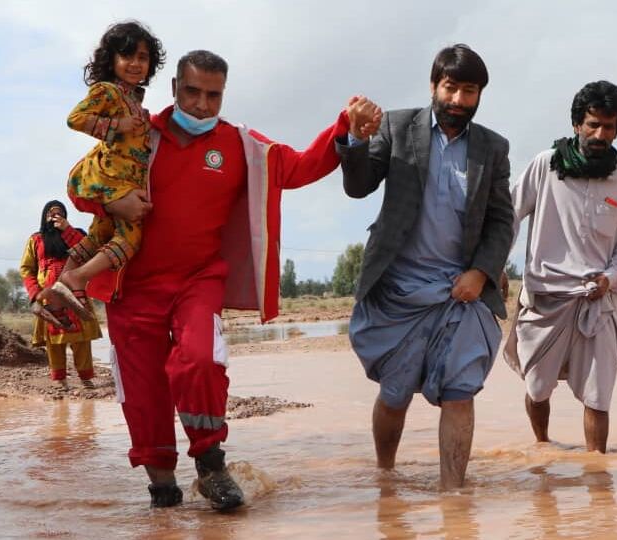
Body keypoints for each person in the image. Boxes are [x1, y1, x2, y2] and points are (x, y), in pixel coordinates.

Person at [38, 50, 381, 511]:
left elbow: (298, 167)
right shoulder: (139, 135)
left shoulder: (239, 145)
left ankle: (211, 463)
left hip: (198, 281)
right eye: (193, 92)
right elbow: (82, 186)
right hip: (132, 287)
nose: (201, 104)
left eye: (213, 96)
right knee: (142, 394)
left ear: (223, 95)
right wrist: (115, 204)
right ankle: (162, 492)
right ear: (175, 87)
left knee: (200, 360)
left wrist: (343, 127)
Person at [336, 44, 514, 489]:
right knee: (394, 396)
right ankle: (385, 477)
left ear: (479, 96)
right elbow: (358, 187)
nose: (457, 100)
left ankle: (454, 497)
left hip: (461, 292)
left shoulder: (492, 148)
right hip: (398, 290)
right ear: (434, 85)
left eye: (468, 91)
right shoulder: (397, 127)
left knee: (460, 392)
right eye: (450, 88)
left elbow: (500, 220)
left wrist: (482, 272)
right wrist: (357, 138)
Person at [504, 80, 617, 453]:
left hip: (599, 300)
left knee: (599, 397)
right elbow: (508, 216)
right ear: (577, 124)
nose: (600, 134)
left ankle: (599, 473)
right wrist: (495, 264)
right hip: (544, 299)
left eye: (609, 127)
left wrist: (611, 278)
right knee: (537, 388)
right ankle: (543, 446)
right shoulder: (545, 166)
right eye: (593, 124)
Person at [52, 21, 166, 317]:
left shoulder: (134, 100)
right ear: (111, 59)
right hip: (110, 178)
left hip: (122, 178)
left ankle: (52, 299)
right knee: (130, 239)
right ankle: (75, 279)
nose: (135, 63)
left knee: (101, 232)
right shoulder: (108, 91)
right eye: (127, 56)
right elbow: (75, 119)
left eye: (142, 57)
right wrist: (117, 126)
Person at [19, 201, 102, 389]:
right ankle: (60, 380)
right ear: (44, 216)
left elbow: (88, 253)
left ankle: (86, 378)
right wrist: (35, 295)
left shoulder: (77, 234)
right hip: (47, 295)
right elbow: (26, 269)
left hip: (75, 292)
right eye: (50, 213)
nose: (54, 217)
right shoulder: (36, 240)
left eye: (59, 213)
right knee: (53, 340)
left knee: (81, 338)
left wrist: (67, 230)